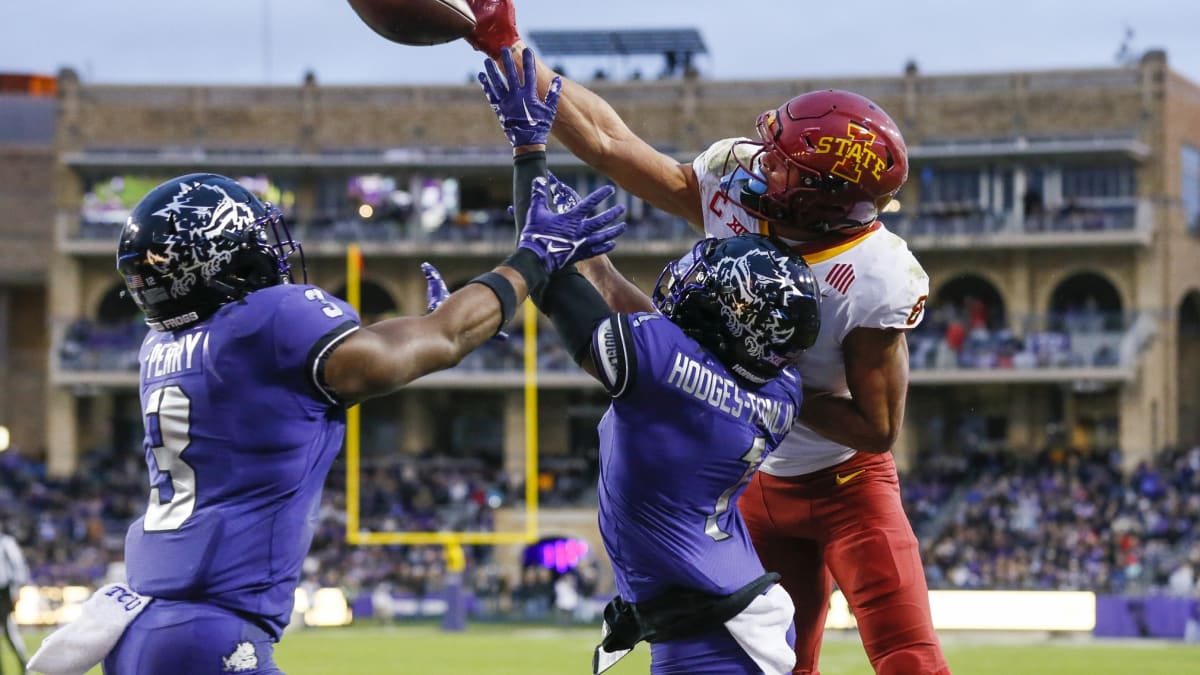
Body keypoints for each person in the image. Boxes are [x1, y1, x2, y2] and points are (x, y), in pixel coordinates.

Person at [463, 7, 948, 673]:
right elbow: (610, 143)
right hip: (745, 475)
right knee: (780, 663)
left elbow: (877, 426)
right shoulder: (740, 185)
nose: (761, 164)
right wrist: (506, 46)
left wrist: (745, 385)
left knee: (908, 655)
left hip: (846, 481)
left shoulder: (874, 275)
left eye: (784, 165)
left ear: (823, 200)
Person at [27, 168, 625, 675]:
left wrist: (443, 321)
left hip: (141, 632)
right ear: (222, 262)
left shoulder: (163, 348)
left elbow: (401, 342)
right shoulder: (268, 320)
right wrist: (533, 258)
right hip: (208, 635)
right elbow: (436, 341)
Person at [469, 48, 823, 675]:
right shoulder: (780, 387)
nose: (694, 283)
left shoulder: (665, 369)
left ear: (732, 320)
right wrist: (598, 267)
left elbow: (547, 280)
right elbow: (681, 351)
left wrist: (528, 148)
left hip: (715, 642)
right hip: (719, 622)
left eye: (715, 286)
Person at [0, 527, 29, 674]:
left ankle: (24, 663)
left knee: (9, 630)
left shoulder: (6, 542)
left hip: (4, 592)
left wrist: (16, 590)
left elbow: (18, 566)